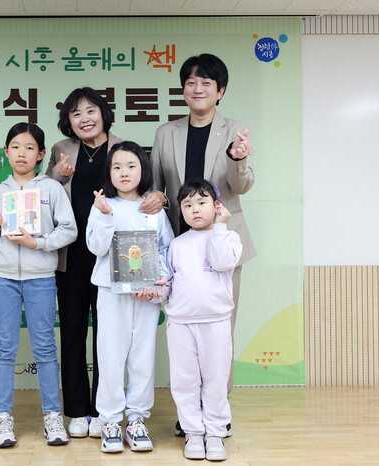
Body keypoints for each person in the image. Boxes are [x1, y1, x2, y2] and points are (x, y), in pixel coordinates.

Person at [46, 87, 166, 438]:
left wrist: (161, 198)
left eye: (90, 111)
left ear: (103, 113)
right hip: (72, 253)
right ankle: (77, 411)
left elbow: (149, 191)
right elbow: (45, 194)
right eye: (75, 113)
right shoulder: (61, 150)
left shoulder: (125, 148)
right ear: (68, 121)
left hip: (119, 256)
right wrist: (58, 176)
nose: (84, 119)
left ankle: (104, 412)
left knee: (109, 337)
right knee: (72, 330)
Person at [150, 54, 255, 435]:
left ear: (220, 91)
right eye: (191, 82)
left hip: (222, 245)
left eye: (207, 83)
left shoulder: (235, 130)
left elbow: (242, 186)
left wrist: (238, 160)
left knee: (220, 334)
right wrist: (153, 200)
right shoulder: (166, 132)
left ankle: (217, 413)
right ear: (183, 89)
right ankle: (189, 414)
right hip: (178, 247)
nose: (198, 89)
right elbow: (156, 187)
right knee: (184, 336)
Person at [0, 122, 77, 448]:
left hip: (41, 277)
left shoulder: (51, 189)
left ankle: (53, 416)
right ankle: (2, 418)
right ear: (5, 152)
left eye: (29, 148)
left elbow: (69, 230)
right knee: (4, 349)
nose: (21, 153)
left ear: (40, 154)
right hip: (4, 277)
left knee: (45, 348)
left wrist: (39, 244)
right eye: (15, 147)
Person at [85, 141, 174, 453]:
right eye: (117, 166)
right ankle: (110, 420)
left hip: (146, 295)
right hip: (112, 293)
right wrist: (106, 215)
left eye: (131, 166)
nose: (124, 172)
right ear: (109, 172)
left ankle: (136, 420)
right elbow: (96, 247)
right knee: (110, 356)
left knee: (142, 358)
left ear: (143, 170)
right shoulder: (102, 206)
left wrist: (157, 280)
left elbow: (165, 249)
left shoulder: (153, 208)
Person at [143, 178, 242, 461]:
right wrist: (155, 293)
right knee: (185, 382)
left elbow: (222, 262)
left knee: (215, 381)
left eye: (201, 202)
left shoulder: (228, 238)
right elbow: (170, 285)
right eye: (187, 205)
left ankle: (215, 434)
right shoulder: (177, 244)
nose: (195, 209)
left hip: (216, 323)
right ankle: (194, 433)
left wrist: (221, 226)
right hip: (181, 324)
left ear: (216, 206)